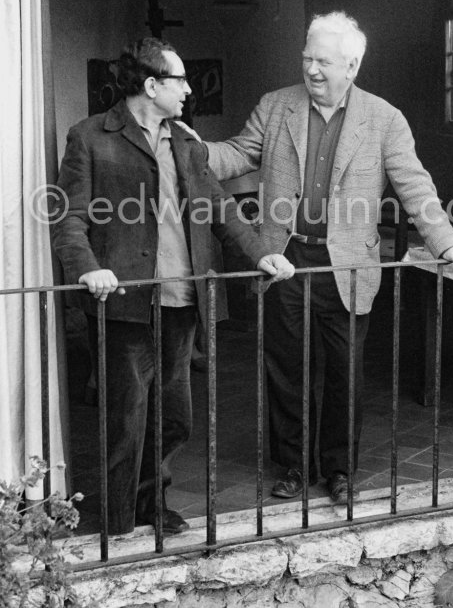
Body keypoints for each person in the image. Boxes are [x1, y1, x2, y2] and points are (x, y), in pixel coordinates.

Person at [205, 11, 453, 505]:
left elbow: (414, 185)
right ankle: (291, 464)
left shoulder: (384, 118)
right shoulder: (277, 106)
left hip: (348, 267)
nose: (311, 69)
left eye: (322, 61)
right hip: (283, 259)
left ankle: (339, 470)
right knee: (285, 369)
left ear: (351, 65)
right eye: (307, 57)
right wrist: (190, 151)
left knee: (344, 373)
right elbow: (238, 154)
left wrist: (446, 240)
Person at [52, 37, 294, 535]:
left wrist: (260, 253)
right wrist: (87, 268)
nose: (188, 89)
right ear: (150, 84)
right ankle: (117, 525)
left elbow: (221, 209)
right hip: (124, 305)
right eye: (179, 80)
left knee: (175, 418)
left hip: (183, 303)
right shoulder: (91, 137)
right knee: (126, 423)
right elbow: (69, 219)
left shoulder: (185, 141)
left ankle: (149, 504)